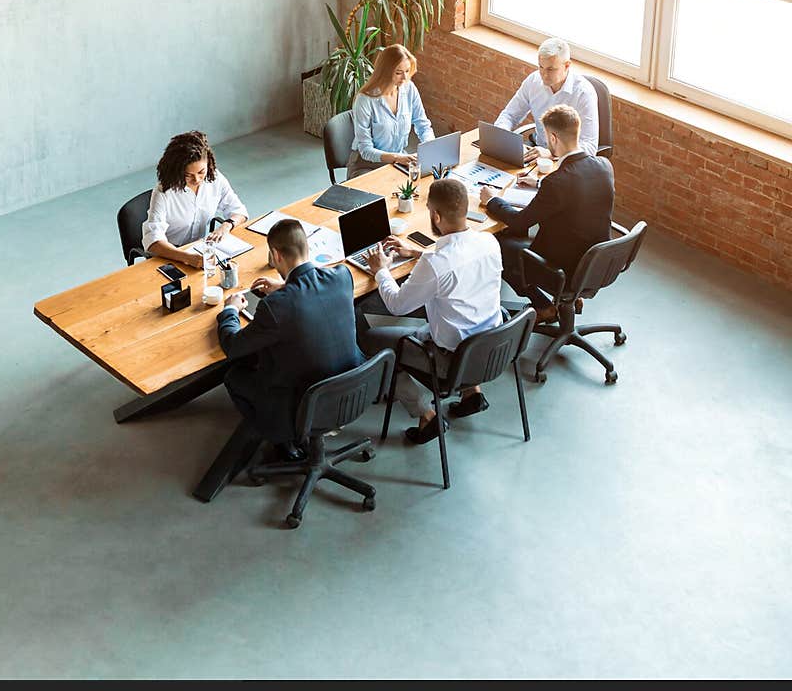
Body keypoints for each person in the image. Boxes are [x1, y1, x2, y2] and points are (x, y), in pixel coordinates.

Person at [360, 177, 504, 445]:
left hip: (450, 359)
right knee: (461, 312)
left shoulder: (436, 263)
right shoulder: (489, 242)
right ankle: (472, 393)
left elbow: (396, 304)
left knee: (372, 341)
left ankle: (426, 415)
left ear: (435, 215)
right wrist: (418, 254)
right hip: (490, 348)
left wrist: (380, 270)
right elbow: (452, 260)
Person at [218, 219, 364, 451]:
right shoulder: (342, 276)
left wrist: (230, 310)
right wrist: (287, 286)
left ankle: (283, 438)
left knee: (235, 375)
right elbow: (312, 296)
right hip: (353, 389)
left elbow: (233, 346)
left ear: (275, 255)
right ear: (306, 247)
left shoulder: (275, 306)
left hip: (305, 403)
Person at [481, 104, 614, 323]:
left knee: (497, 246)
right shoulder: (603, 165)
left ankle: (543, 306)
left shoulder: (557, 183)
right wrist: (540, 182)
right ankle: (570, 297)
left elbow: (518, 221)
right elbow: (578, 187)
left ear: (553, 138)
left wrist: (492, 200)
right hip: (595, 260)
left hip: (565, 265)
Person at [142, 130, 248, 269]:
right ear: (178, 170)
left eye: (201, 172)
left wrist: (226, 226)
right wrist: (186, 257)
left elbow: (239, 211)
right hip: (171, 254)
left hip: (199, 250)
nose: (197, 179)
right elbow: (153, 241)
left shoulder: (215, 178)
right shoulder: (164, 191)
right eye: (188, 175)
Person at [495, 36, 599, 160]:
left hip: (569, 160)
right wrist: (501, 135)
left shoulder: (584, 93)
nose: (544, 74)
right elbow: (509, 115)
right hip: (537, 151)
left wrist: (552, 155)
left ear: (567, 65)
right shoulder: (533, 81)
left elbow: (590, 146)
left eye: (551, 69)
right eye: (541, 67)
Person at [347, 43, 435, 179]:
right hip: (367, 164)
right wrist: (397, 158)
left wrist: (429, 148)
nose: (404, 78)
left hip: (398, 160)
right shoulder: (365, 100)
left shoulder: (409, 88)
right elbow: (365, 150)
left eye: (407, 71)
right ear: (385, 71)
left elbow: (423, 125)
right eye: (398, 73)